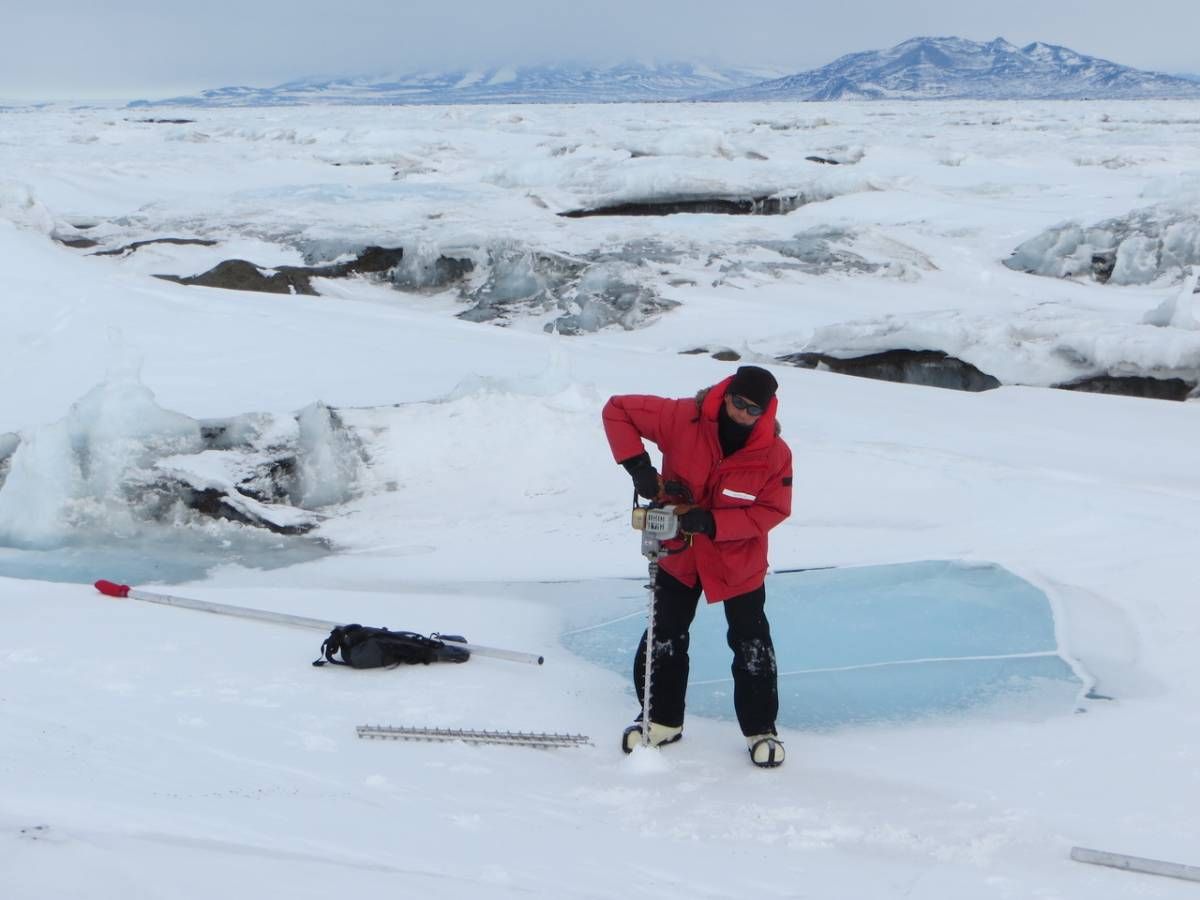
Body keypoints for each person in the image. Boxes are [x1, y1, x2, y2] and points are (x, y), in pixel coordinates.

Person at [602, 365, 793, 768]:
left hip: (737, 559)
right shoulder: (683, 418)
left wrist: (714, 522)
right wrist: (638, 466)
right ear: (726, 395)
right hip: (678, 553)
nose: (741, 413)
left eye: (751, 409)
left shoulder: (774, 455)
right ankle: (660, 720)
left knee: (750, 642)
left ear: (766, 412)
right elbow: (617, 410)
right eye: (736, 402)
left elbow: (774, 509)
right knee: (665, 634)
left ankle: (761, 730)